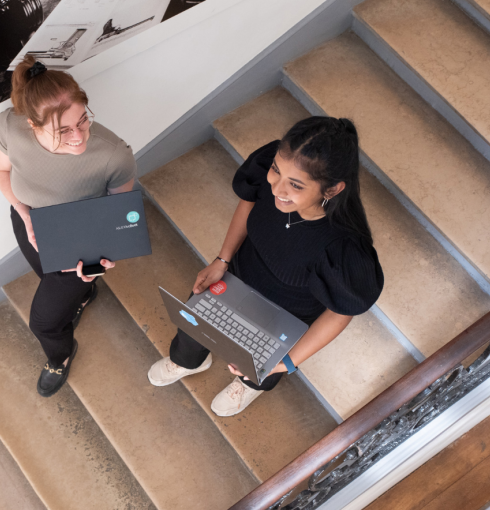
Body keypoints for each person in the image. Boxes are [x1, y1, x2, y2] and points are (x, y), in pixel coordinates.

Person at [147, 117, 384, 417]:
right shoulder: (273, 176)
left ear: (332, 190)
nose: (277, 189)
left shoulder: (342, 248)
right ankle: (187, 360)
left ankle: (250, 385)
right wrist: (222, 260)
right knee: (192, 327)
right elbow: (250, 201)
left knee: (263, 367)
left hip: (284, 315)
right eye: (276, 171)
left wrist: (285, 362)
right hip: (238, 277)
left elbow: (341, 313)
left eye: (295, 185)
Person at [0, 56, 136, 397]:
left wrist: (97, 260)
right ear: (32, 125)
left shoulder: (113, 155)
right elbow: (2, 173)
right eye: (64, 130)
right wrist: (24, 213)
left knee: (44, 322)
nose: (79, 136)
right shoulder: (9, 127)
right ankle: (84, 295)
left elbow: (115, 215)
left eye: (83, 121)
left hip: (80, 242)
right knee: (46, 276)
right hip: (29, 221)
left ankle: (60, 355)